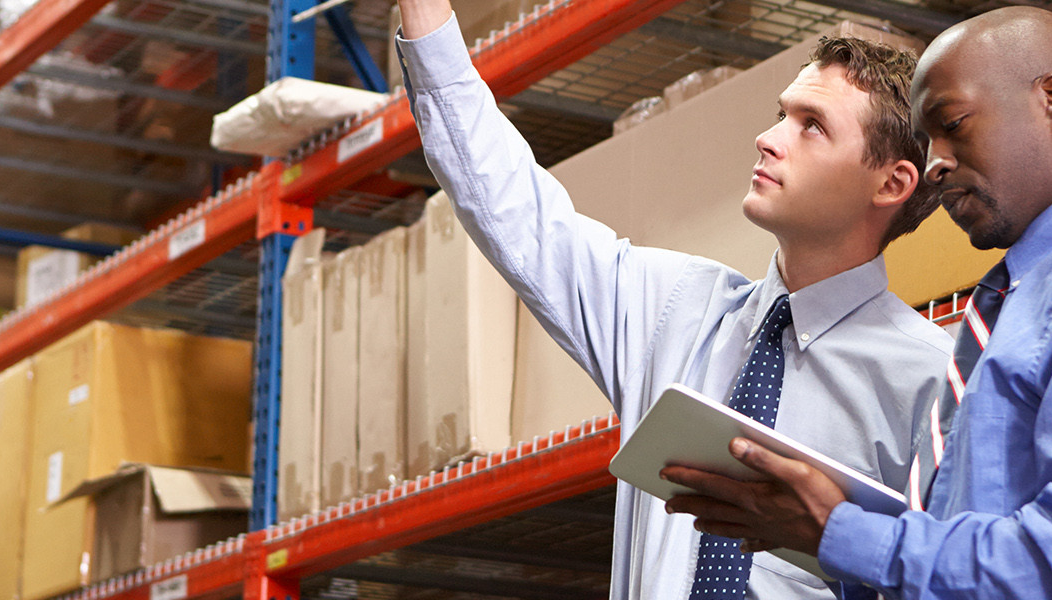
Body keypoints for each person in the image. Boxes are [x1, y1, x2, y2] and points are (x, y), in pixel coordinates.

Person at [663, 6, 1052, 599]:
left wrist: (848, 535)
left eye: (952, 125)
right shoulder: (1015, 303)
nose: (934, 165)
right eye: (926, 142)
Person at [393, 1, 957, 598]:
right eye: (780, 115)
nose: (767, 139)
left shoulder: (928, 384)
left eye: (811, 125)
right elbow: (515, 209)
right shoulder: (676, 312)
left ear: (892, 183)